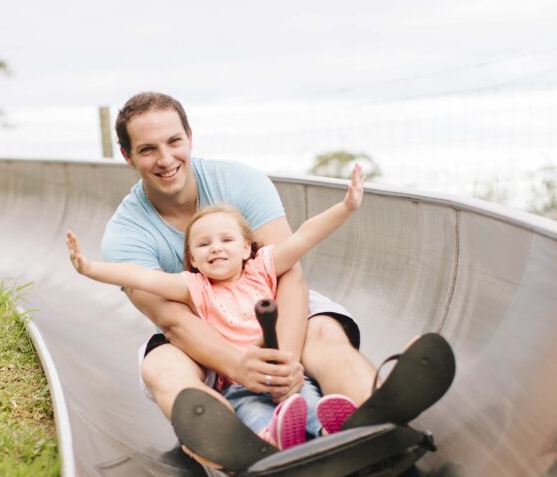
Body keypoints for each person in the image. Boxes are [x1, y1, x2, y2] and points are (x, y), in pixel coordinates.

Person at [99, 92, 379, 441]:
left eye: (174, 141)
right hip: (200, 331)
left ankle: (373, 413)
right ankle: (233, 443)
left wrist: (284, 361)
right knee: (161, 367)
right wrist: (238, 366)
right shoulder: (125, 235)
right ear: (127, 156)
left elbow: (288, 274)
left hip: (269, 305)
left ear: (189, 137)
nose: (166, 159)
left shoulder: (240, 182)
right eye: (147, 149)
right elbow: (173, 321)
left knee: (325, 333)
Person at [67, 164, 366, 448]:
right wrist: (89, 268)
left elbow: (304, 236)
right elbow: (141, 276)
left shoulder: (263, 268)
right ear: (193, 259)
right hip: (239, 384)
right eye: (203, 244)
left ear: (245, 248)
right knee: (252, 413)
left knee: (305, 399)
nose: (216, 248)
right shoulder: (194, 288)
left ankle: (327, 430)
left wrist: (346, 207)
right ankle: (271, 441)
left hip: (284, 377)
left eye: (226, 240)